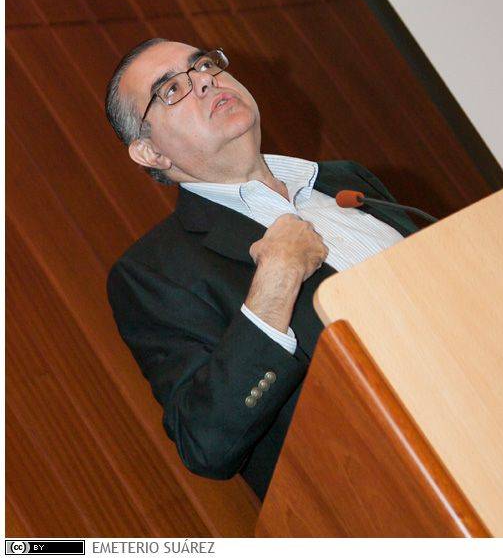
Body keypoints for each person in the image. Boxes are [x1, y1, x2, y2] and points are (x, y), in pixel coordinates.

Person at [105, 37, 422, 501]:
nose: (205, 81)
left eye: (204, 65)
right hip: (394, 485)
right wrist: (274, 286)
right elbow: (205, 443)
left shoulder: (344, 180)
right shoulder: (155, 273)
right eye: (171, 89)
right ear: (151, 153)